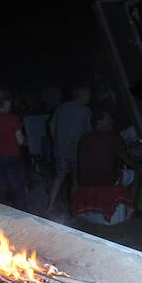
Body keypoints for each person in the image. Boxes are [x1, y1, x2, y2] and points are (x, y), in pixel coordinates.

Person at [71, 108, 139, 224]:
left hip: (85, 180)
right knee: (136, 174)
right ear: (99, 122)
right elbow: (125, 158)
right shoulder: (112, 138)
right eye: (109, 119)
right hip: (106, 180)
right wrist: (137, 165)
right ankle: (131, 207)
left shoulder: (84, 138)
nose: (112, 121)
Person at [46, 83, 92, 214]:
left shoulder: (62, 107)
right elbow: (89, 132)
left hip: (61, 149)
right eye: (88, 95)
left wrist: (55, 140)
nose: (89, 97)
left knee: (59, 177)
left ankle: (50, 206)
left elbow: (51, 124)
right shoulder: (85, 111)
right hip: (76, 150)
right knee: (75, 179)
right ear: (81, 95)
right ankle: (73, 209)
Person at [0, 88, 27, 211]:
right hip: (11, 158)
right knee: (17, 189)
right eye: (10, 102)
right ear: (4, 102)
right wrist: (27, 141)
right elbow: (21, 141)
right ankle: (21, 215)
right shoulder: (13, 119)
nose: (11, 105)